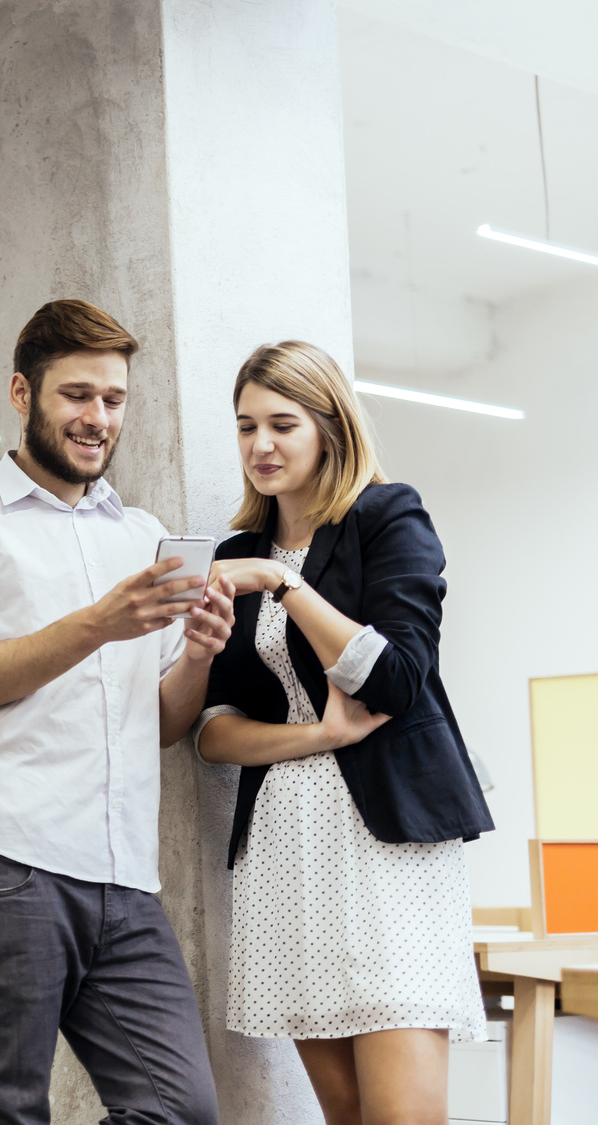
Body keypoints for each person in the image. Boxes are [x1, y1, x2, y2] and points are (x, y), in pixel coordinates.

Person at [0, 299, 233, 1125]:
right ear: (22, 392)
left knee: (178, 1110)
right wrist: (98, 624)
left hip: (123, 872)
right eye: (76, 394)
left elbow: (157, 722)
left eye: (113, 399)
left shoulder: (140, 534)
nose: (97, 418)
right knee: (4, 1107)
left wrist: (197, 654)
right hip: (7, 858)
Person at [196, 341, 493, 1125]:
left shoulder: (386, 516)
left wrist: (287, 586)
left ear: (329, 426)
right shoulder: (234, 556)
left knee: (403, 1117)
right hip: (286, 849)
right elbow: (214, 729)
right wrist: (316, 735)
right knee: (348, 1115)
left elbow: (398, 678)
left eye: (283, 424)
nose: (261, 445)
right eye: (245, 426)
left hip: (387, 844)